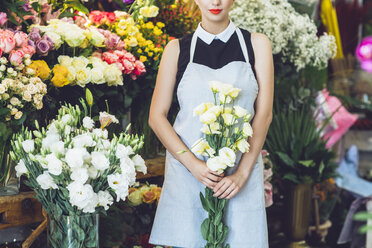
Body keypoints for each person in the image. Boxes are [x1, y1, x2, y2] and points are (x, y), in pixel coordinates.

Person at [148, 0, 274, 247]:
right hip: (188, 177)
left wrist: (241, 174)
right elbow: (156, 116)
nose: (215, 2)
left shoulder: (257, 45)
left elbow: (264, 114)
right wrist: (193, 165)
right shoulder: (176, 49)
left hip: (239, 179)